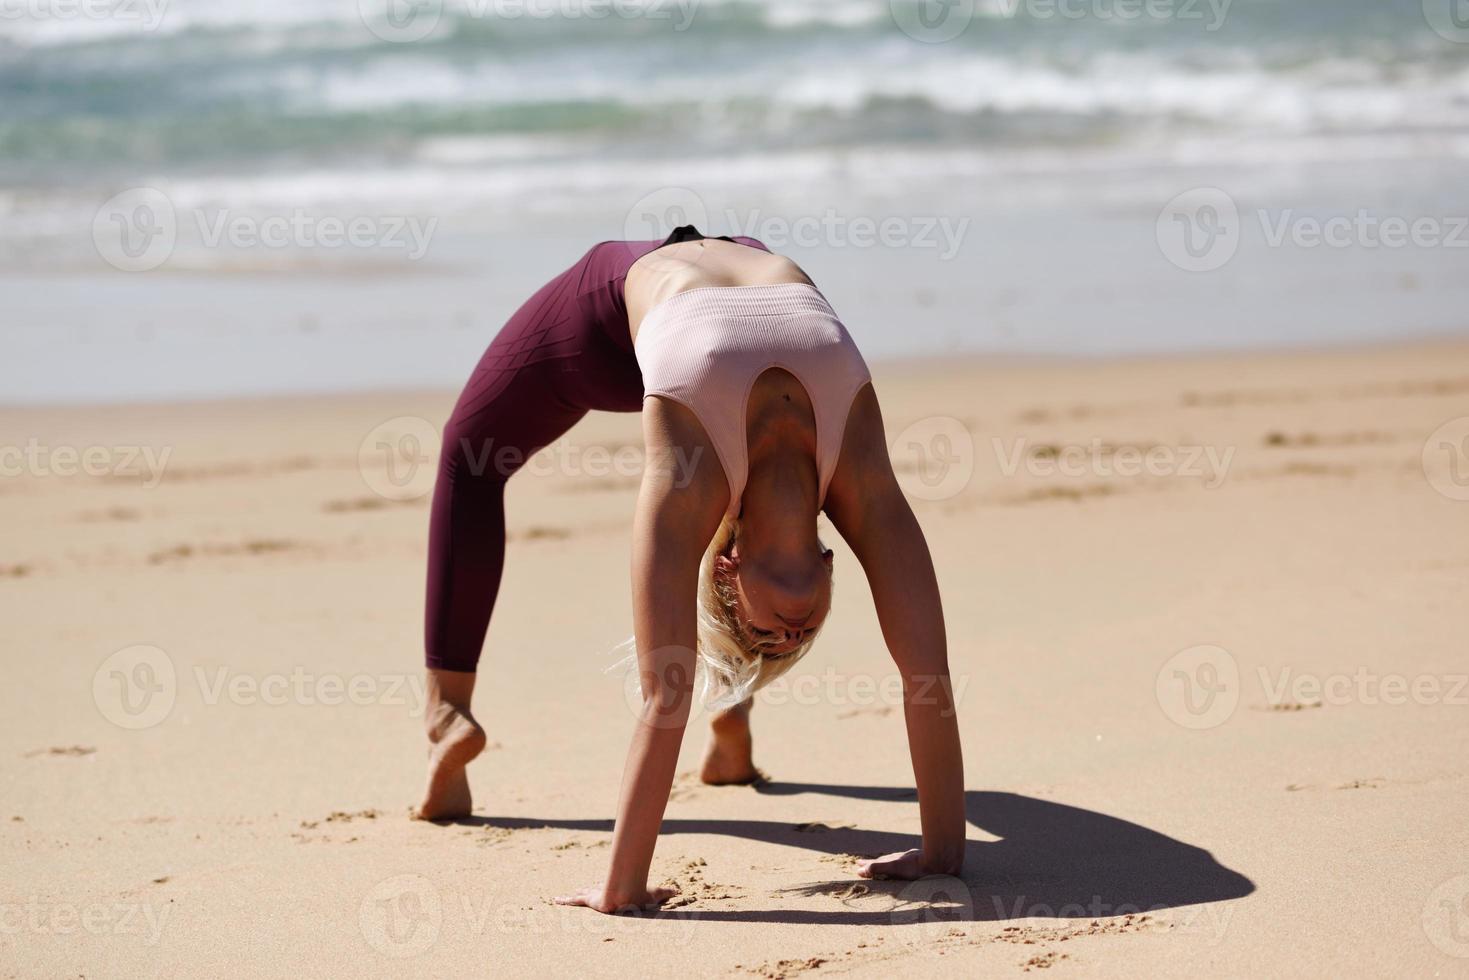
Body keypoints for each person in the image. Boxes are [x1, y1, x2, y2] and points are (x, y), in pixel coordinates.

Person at [417, 226, 965, 913]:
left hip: (662, 308)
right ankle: (721, 719)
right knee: (465, 457)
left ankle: (449, 712)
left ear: (727, 567)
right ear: (830, 566)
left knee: (470, 455)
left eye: (766, 636)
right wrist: (940, 849)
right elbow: (927, 671)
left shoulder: (693, 489)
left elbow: (663, 694)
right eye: (787, 642)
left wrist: (621, 888)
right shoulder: (859, 484)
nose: (789, 636)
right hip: (716, 281)